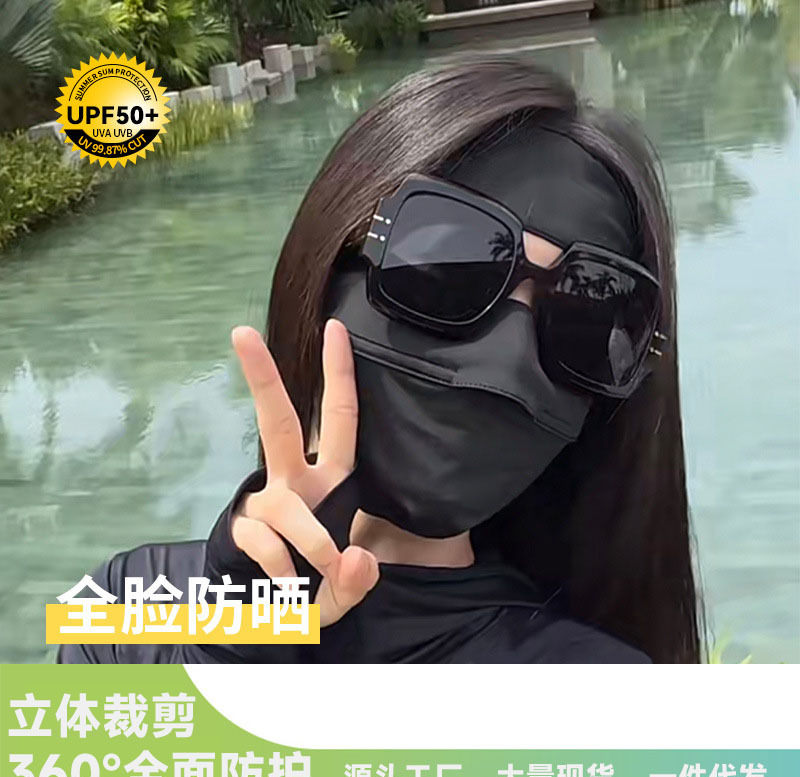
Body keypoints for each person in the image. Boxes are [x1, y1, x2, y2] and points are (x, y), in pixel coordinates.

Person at [58, 56, 705, 666]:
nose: (509, 358)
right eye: (449, 264)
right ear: (330, 260)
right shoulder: (122, 606)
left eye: (586, 317)